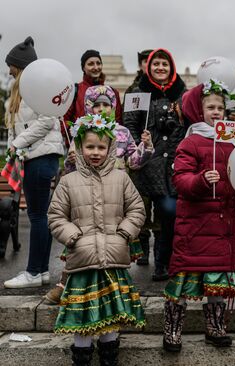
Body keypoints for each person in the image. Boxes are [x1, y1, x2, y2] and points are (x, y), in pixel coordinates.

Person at [47, 114, 146, 365]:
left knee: (111, 315)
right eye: (89, 146)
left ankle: (109, 357)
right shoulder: (69, 181)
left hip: (113, 258)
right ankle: (81, 358)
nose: (95, 152)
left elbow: (136, 209)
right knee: (82, 318)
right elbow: (56, 215)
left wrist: (124, 232)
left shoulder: (121, 178)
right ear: (80, 147)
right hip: (82, 260)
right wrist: (73, 236)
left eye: (101, 147)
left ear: (110, 148)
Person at [43, 85, 154, 304]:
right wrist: (71, 161)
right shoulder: (81, 131)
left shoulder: (121, 132)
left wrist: (146, 147)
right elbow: (71, 169)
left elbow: (134, 162)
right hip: (86, 199)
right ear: (87, 107)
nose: (101, 109)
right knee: (81, 248)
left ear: (113, 108)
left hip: (114, 197)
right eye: (96, 105)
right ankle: (65, 284)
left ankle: (116, 291)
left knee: (115, 251)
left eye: (106, 105)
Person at [162, 80, 235, 351]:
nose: (217, 112)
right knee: (184, 281)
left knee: (217, 281)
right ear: (199, 111)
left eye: (220, 107)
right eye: (210, 107)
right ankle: (173, 330)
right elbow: (181, 181)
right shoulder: (191, 142)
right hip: (195, 226)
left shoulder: (232, 144)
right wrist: (200, 180)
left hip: (222, 226)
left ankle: (216, 326)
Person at [3, 36, 65, 289]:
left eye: (12, 66)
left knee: (38, 216)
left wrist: (17, 144)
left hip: (41, 158)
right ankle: (40, 272)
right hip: (34, 158)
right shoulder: (18, 94)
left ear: (21, 67)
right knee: (42, 216)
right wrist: (12, 145)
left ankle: (32, 271)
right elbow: (14, 128)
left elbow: (48, 120)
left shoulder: (37, 90)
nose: (8, 70)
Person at [124, 48, 187, 281]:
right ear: (148, 67)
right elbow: (129, 124)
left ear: (171, 68)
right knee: (145, 213)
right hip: (147, 162)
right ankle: (144, 256)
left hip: (173, 160)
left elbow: (187, 124)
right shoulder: (138, 92)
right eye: (156, 64)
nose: (160, 68)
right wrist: (136, 150)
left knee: (169, 212)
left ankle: (164, 262)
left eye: (165, 64)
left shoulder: (181, 92)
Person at [63, 50, 123, 138]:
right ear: (83, 68)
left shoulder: (113, 93)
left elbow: (118, 121)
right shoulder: (75, 90)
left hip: (106, 145)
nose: (96, 67)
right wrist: (76, 136)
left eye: (98, 63)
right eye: (91, 64)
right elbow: (64, 121)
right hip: (80, 146)